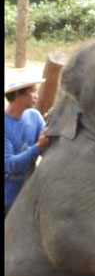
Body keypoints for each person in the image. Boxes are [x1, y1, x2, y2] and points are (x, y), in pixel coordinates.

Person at [5, 76, 50, 217]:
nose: (37, 95)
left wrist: (52, 128)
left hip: (29, 192)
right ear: (19, 95)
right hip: (8, 197)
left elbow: (47, 148)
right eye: (33, 91)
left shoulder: (34, 116)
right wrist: (37, 147)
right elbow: (10, 165)